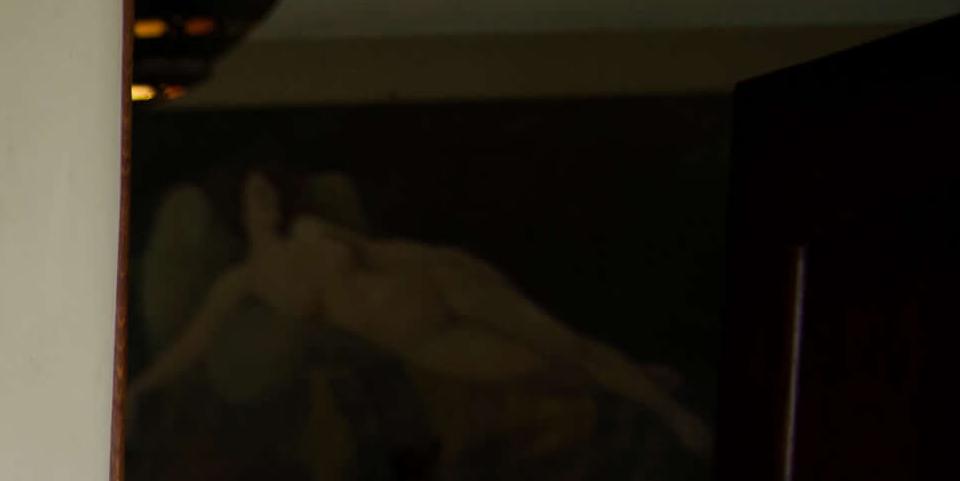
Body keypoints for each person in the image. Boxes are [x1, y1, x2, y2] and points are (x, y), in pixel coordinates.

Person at [128, 170, 709, 460]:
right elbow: (191, 346)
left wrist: (451, 267)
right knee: (539, 372)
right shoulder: (244, 283)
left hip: (438, 286)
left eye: (272, 192)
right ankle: (638, 381)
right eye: (258, 195)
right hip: (417, 339)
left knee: (563, 344)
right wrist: (138, 389)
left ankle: (668, 412)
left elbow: (385, 253)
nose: (269, 202)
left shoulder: (308, 231)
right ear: (240, 207)